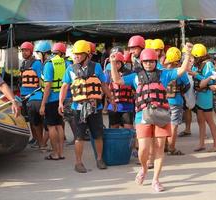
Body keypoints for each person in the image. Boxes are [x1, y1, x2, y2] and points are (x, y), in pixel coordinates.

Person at [110, 44, 193, 192]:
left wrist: (187, 53)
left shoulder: (164, 74)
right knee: (143, 149)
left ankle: (156, 180)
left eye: (151, 61)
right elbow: (117, 81)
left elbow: (181, 70)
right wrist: (112, 63)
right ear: (141, 62)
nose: (149, 64)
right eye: (146, 61)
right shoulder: (135, 77)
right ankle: (143, 169)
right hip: (143, 115)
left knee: (159, 148)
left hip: (161, 115)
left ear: (156, 62)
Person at [59, 40, 116, 173]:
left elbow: (103, 84)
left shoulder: (96, 67)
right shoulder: (70, 69)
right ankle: (78, 163)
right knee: (79, 137)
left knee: (98, 135)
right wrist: (60, 102)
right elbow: (65, 86)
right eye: (75, 54)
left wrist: (111, 99)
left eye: (79, 54)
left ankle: (100, 159)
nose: (76, 57)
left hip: (95, 107)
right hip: (78, 108)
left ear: (87, 54)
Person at [190, 43, 216, 152]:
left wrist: (194, 74)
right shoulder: (197, 64)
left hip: (206, 95)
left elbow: (210, 80)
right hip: (199, 95)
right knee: (200, 121)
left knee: (210, 121)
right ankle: (201, 143)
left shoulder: (208, 65)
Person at [164, 47, 190, 155]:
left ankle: (165, 145)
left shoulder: (162, 71)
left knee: (164, 124)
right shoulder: (180, 72)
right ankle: (172, 147)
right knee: (174, 125)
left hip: (164, 102)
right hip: (176, 101)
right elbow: (187, 85)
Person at [19, 42, 44, 149]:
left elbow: (41, 80)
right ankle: (35, 138)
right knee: (29, 119)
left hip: (34, 95)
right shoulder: (24, 63)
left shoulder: (37, 64)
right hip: (24, 95)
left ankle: (41, 140)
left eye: (26, 50)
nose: (24, 52)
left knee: (37, 120)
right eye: (22, 50)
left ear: (31, 51)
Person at [105, 52, 134, 129]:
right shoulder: (108, 73)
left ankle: (129, 141)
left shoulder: (129, 73)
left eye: (117, 63)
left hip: (127, 106)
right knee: (114, 128)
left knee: (129, 129)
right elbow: (105, 87)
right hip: (113, 106)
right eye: (114, 63)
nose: (115, 65)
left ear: (122, 63)